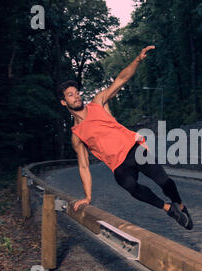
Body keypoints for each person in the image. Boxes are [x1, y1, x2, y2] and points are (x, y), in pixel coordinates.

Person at [56, 46, 193, 230]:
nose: (76, 97)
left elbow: (121, 79)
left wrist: (137, 59)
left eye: (77, 93)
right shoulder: (76, 135)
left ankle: (181, 207)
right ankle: (169, 209)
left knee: (164, 182)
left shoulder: (98, 103)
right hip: (118, 165)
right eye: (71, 96)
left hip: (134, 149)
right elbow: (84, 166)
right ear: (64, 102)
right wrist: (87, 197)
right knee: (129, 185)